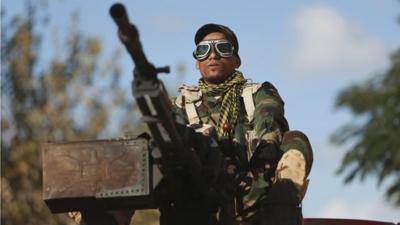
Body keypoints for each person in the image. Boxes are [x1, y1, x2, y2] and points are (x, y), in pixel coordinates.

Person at [171, 23, 313, 225]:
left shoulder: (255, 93)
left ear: (237, 60)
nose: (212, 55)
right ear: (197, 62)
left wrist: (268, 143)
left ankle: (285, 190)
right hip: (202, 200)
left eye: (222, 48)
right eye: (203, 50)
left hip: (256, 192)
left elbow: (269, 114)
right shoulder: (181, 106)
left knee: (295, 140)